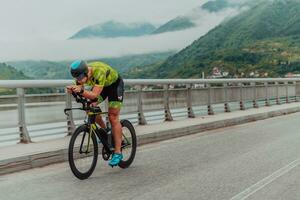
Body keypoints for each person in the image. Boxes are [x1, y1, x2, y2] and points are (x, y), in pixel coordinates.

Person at [67, 60, 124, 167]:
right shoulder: (80, 76)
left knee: (113, 117)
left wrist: (81, 91)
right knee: (90, 108)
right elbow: (84, 94)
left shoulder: (99, 71)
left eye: (79, 78)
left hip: (115, 86)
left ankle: (117, 153)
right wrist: (73, 91)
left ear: (86, 72)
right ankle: (105, 131)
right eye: (76, 79)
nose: (78, 81)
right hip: (102, 87)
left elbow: (93, 95)